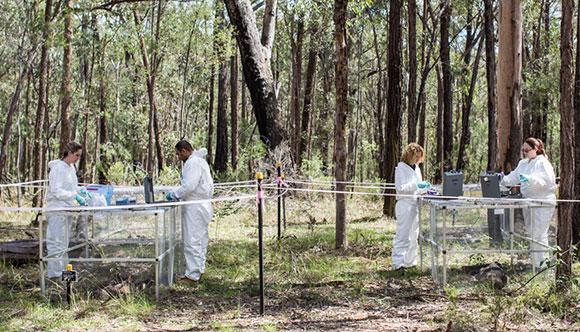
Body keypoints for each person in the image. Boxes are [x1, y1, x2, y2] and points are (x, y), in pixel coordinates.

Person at [500, 137, 556, 268]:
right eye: (523, 150)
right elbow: (513, 177)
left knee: (540, 233)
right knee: (531, 232)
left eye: (527, 150)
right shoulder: (523, 163)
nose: (524, 152)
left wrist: (529, 179)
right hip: (528, 201)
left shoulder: (543, 163)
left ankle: (544, 265)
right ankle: (536, 264)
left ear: (536, 149)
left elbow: (548, 183)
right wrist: (502, 179)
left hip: (543, 202)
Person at [166, 140, 214, 282]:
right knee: (200, 239)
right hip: (201, 204)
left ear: (185, 150)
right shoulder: (199, 162)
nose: (178, 157)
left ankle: (192, 275)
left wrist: (174, 194)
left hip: (195, 206)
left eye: (178, 154)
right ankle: (199, 269)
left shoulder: (193, 163)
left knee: (192, 239)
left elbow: (189, 186)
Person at [46, 141, 87, 278]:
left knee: (64, 244)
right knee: (56, 243)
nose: (78, 158)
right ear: (69, 153)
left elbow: (71, 187)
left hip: (67, 209)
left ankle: (64, 273)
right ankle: (54, 276)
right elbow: (56, 191)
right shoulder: (58, 168)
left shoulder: (71, 168)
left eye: (79, 156)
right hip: (57, 210)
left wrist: (80, 191)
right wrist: (74, 195)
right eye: (76, 155)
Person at [392, 143, 430, 270]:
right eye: (416, 156)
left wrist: (425, 188)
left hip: (415, 204)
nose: (418, 159)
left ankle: (410, 262)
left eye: (419, 157)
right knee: (403, 235)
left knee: (414, 235)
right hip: (404, 204)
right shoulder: (401, 168)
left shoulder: (416, 168)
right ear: (410, 155)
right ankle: (398, 263)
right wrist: (416, 185)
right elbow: (401, 188)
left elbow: (418, 187)